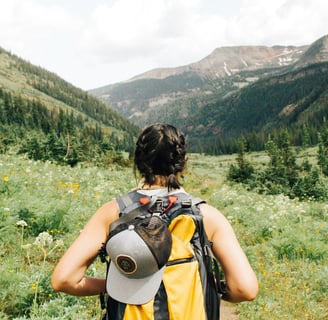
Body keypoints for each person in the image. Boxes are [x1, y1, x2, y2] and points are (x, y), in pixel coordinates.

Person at [51, 123, 258, 316]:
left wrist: (112, 285)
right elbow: (245, 289)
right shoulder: (207, 216)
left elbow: (64, 280)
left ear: (138, 162)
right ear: (183, 163)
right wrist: (215, 288)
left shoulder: (113, 212)